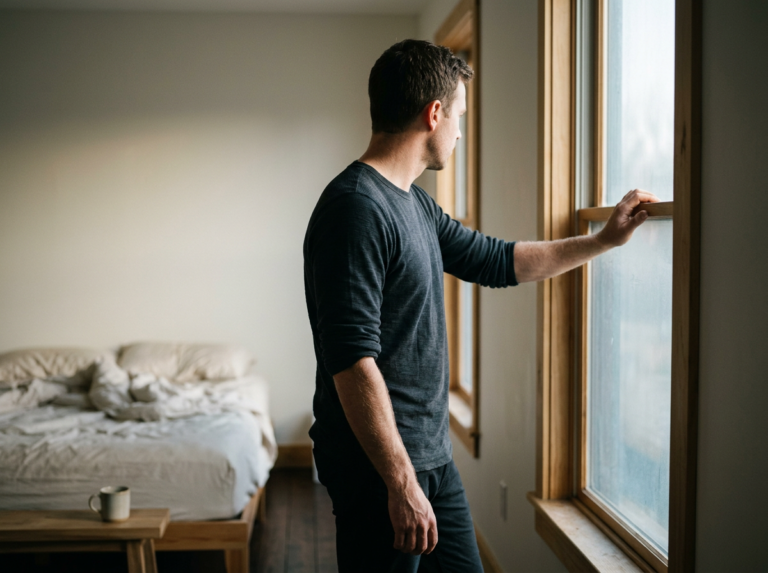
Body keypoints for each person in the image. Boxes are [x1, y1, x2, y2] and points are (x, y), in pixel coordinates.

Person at [303, 39, 658, 573]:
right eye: (460, 117)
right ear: (434, 112)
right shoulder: (356, 209)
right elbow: (353, 363)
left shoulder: (414, 203)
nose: (461, 133)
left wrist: (602, 242)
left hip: (429, 456)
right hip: (378, 470)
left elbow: (498, 261)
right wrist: (399, 483)